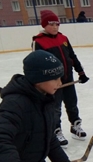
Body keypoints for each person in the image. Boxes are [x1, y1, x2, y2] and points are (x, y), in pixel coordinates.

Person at [32, 10, 89, 148]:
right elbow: (36, 63)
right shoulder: (39, 41)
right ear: (44, 25)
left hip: (68, 78)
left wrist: (80, 72)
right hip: (53, 83)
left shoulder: (63, 38)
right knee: (55, 107)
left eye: (57, 24)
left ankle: (75, 125)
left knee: (72, 103)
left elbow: (72, 56)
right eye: (51, 24)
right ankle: (56, 130)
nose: (55, 27)